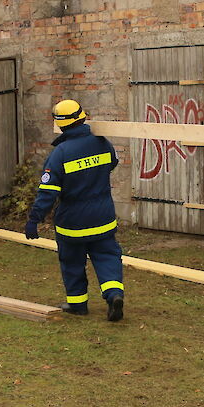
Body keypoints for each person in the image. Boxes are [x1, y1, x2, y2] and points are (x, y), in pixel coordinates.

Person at [24, 99, 125, 321]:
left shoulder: (60, 153)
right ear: (83, 117)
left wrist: (34, 219)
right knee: (107, 256)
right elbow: (113, 163)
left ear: (60, 124)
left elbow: (48, 192)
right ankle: (114, 294)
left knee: (72, 262)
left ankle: (78, 304)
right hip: (103, 218)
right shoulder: (101, 142)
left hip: (73, 223)